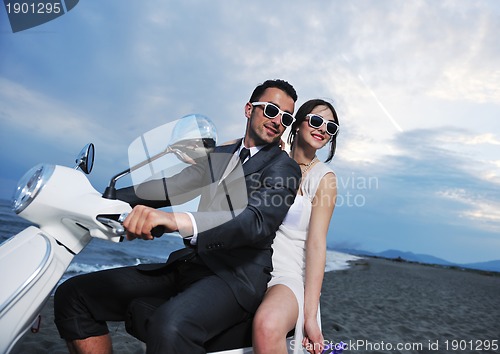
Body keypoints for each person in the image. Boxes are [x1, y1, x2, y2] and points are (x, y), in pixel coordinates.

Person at [53, 79, 302, 354]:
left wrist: (175, 221)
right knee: (73, 294)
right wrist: (100, 198)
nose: (278, 120)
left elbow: (255, 221)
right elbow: (169, 186)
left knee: (169, 326)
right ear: (248, 109)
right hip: (189, 264)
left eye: (286, 117)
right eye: (271, 110)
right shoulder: (220, 155)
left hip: (234, 278)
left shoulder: (284, 168)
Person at [252, 99, 340, 354]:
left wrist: (310, 315)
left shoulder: (324, 179)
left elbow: (316, 244)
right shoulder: (272, 159)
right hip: (249, 265)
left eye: (330, 127)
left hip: (286, 273)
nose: (322, 128)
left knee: (267, 326)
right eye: (315, 121)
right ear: (297, 123)